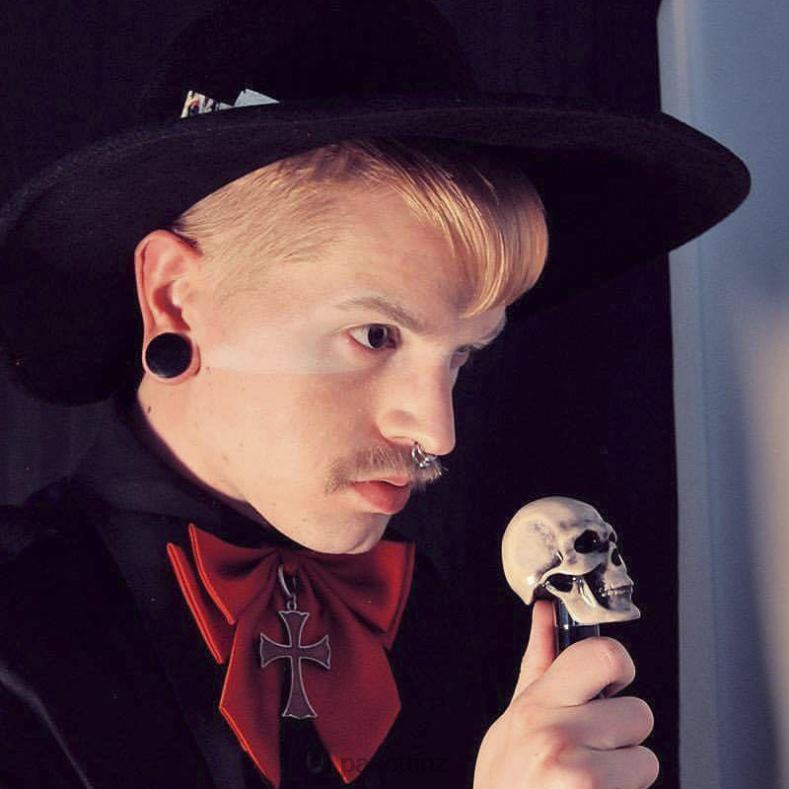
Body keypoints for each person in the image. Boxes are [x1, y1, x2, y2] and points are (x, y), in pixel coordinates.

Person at [0, 1, 749, 787]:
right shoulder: (19, 631)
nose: (436, 430)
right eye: (375, 334)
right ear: (175, 297)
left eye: (462, 354)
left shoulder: (422, 617)